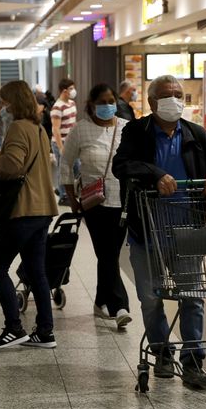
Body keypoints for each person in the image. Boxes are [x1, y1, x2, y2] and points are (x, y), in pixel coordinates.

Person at [112, 74, 206, 389]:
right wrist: (155, 174)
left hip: (189, 230)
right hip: (147, 230)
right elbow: (121, 165)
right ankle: (162, 352)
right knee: (150, 298)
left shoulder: (195, 133)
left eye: (179, 95)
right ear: (153, 102)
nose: (175, 100)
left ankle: (193, 362)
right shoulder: (137, 131)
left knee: (191, 298)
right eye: (168, 95)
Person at [0, 81, 59, 350]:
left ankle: (14, 328)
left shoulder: (17, 127)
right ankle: (45, 332)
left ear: (14, 102)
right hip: (42, 209)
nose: (3, 106)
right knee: (37, 273)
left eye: (5, 101)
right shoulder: (38, 128)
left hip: (22, 210)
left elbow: (13, 165)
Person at [61, 83, 132, 330]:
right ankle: (119, 306)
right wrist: (71, 197)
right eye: (102, 102)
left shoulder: (126, 128)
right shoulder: (81, 130)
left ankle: (101, 301)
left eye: (111, 101)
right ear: (91, 105)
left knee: (109, 254)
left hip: (123, 202)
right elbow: (66, 163)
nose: (107, 106)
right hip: (94, 203)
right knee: (107, 252)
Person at [51, 79, 78, 205]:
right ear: (64, 91)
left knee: (77, 167)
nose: (73, 91)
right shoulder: (57, 107)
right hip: (61, 142)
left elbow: (73, 122)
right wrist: (61, 147)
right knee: (64, 169)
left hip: (72, 142)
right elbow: (55, 129)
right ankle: (63, 196)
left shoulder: (72, 103)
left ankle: (60, 188)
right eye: (71, 88)